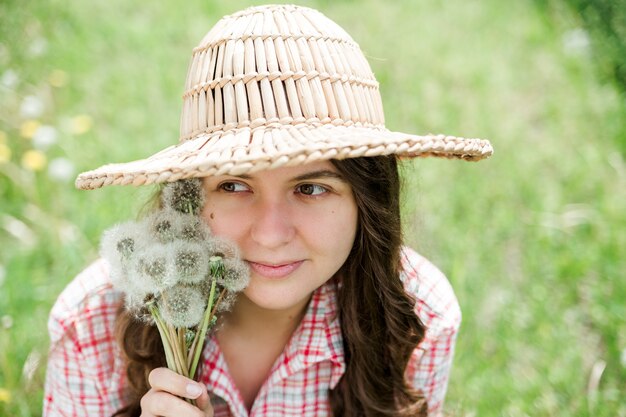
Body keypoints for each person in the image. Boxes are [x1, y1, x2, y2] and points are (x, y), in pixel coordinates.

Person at [44, 4, 493, 417]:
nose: (272, 234)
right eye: (234, 185)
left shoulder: (418, 320)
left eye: (312, 188)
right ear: (189, 198)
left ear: (366, 198)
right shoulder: (91, 324)